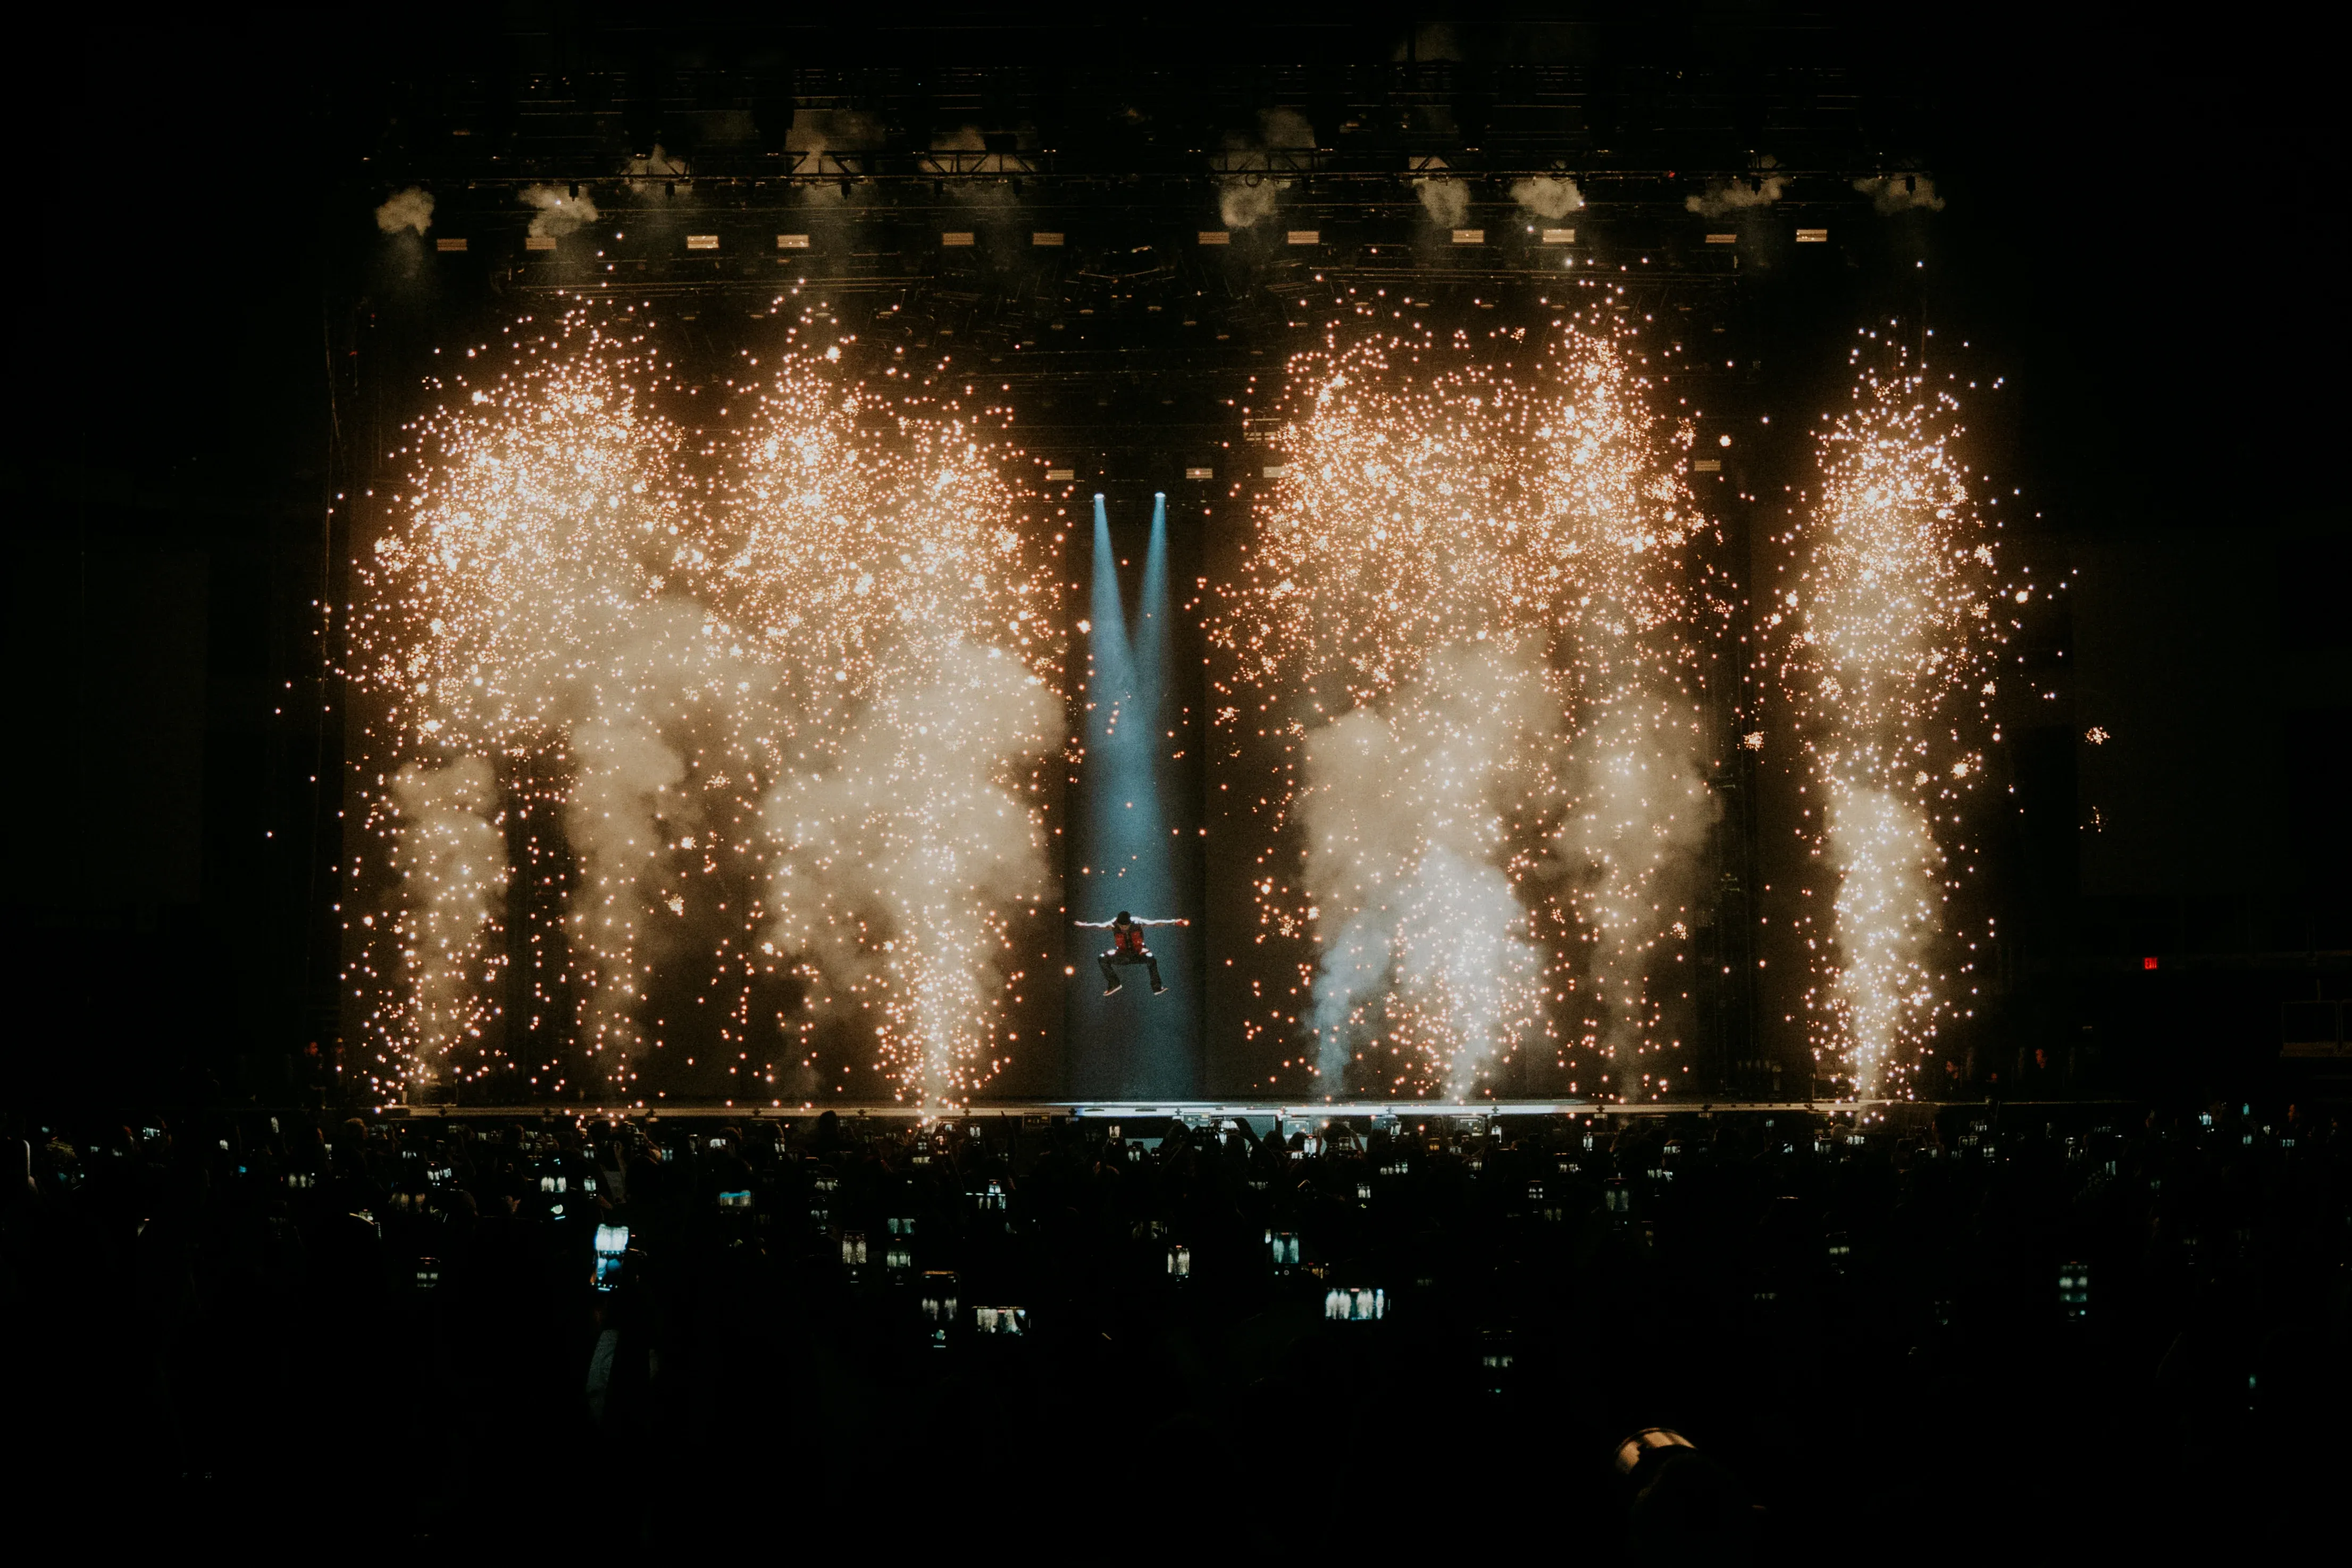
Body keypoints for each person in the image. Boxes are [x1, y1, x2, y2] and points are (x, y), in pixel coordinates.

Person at [1074, 910, 1188, 996]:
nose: (1124, 928)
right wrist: (1085, 925)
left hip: (1139, 954)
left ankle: (1157, 987)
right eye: (1121, 926)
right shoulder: (1113, 925)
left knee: (1151, 958)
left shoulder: (1137, 923)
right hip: (1123, 956)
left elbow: (1156, 923)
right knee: (1102, 958)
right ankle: (1114, 984)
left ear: (1130, 923)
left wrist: (1174, 922)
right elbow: (1099, 926)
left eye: (1126, 926)